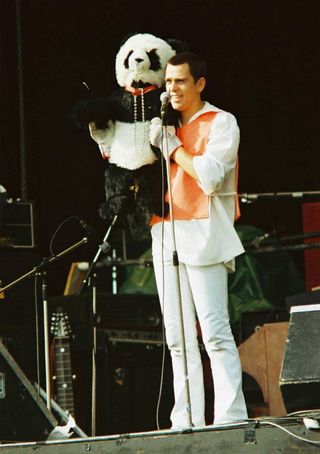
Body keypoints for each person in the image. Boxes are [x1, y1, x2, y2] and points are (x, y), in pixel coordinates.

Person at [149, 52, 248, 428]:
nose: (171, 89)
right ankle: (184, 420)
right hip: (166, 231)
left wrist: (173, 147)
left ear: (199, 84)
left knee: (214, 332)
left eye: (180, 81)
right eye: (168, 81)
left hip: (205, 231)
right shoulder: (163, 125)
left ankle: (230, 418)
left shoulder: (221, 122)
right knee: (177, 337)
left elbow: (208, 175)